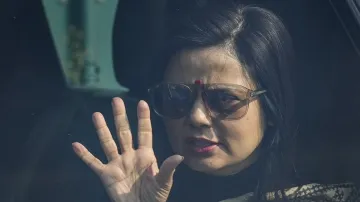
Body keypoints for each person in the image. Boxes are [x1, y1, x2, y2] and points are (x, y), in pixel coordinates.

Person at [71, 1, 359, 201]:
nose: (197, 117)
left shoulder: (327, 196)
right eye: (176, 97)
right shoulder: (130, 187)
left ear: (272, 107)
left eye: (224, 99)